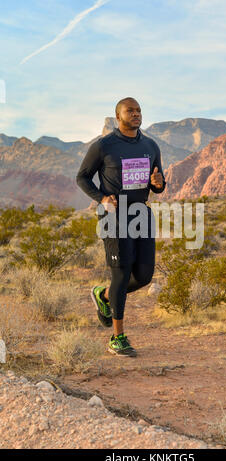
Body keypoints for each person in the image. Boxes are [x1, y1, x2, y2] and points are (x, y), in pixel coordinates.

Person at [76, 97, 166, 357]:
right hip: (113, 216)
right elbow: (82, 177)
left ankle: (103, 295)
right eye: (130, 111)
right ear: (118, 116)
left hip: (141, 214)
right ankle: (118, 338)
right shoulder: (104, 146)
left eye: (139, 110)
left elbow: (158, 185)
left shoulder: (151, 145)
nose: (136, 114)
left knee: (145, 276)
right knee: (121, 274)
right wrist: (101, 198)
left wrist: (158, 183)